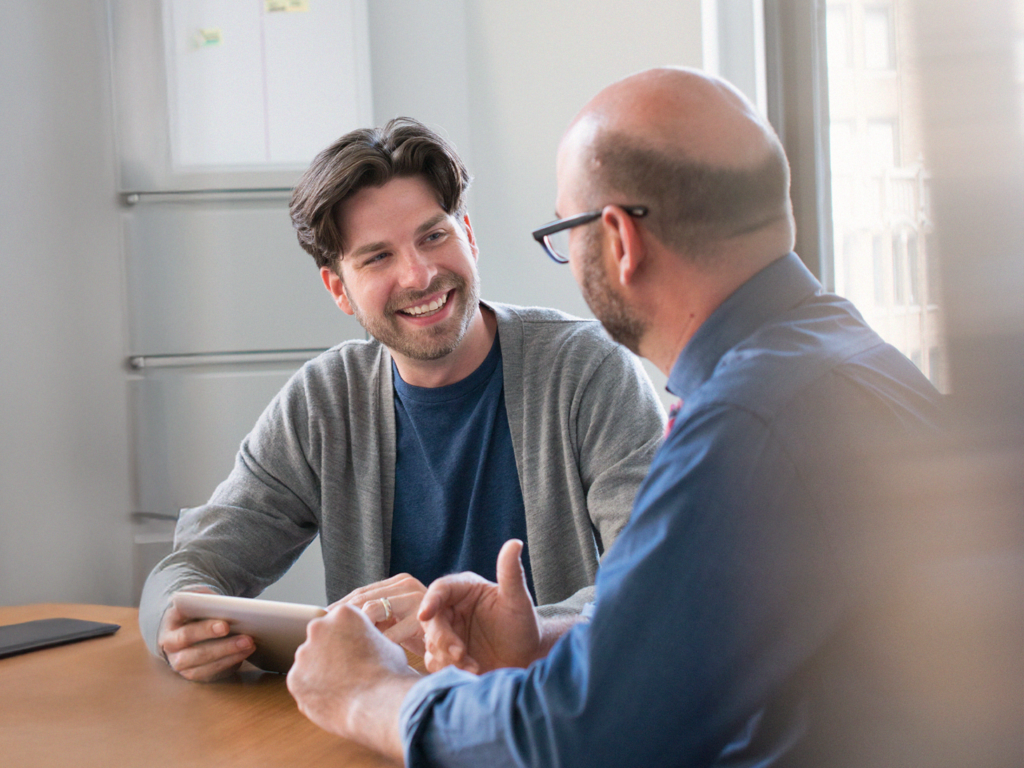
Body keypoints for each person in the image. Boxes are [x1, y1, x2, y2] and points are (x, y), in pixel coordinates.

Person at [284, 67, 947, 766]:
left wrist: (372, 694)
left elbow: (579, 738)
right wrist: (545, 642)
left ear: (619, 241)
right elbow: (704, 643)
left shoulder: (745, 429)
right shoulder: (835, 358)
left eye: (564, 233)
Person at [138, 117, 666, 682]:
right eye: (377, 258)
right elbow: (189, 568)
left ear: (468, 234)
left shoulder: (589, 370)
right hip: (382, 724)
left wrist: (500, 634)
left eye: (434, 236)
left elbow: (659, 581)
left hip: (552, 722)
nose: (420, 274)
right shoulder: (324, 400)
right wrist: (179, 622)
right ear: (338, 289)